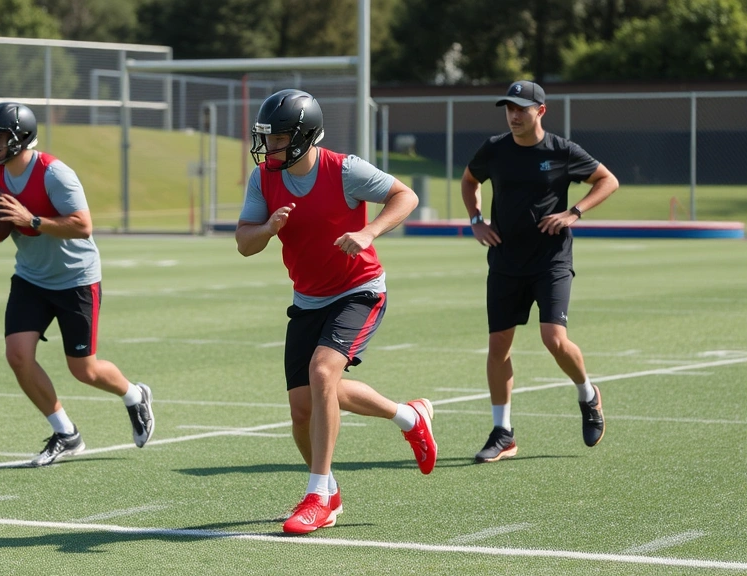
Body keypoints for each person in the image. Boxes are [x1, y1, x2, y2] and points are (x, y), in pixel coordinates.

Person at [235, 89, 438, 535]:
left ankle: (319, 495)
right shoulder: (263, 179)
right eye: (266, 138)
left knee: (324, 374)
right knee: (302, 410)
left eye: (279, 138)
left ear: (305, 137)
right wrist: (268, 228)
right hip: (308, 298)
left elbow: (404, 197)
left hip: (359, 290)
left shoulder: (344, 169)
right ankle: (409, 417)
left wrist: (369, 231)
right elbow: (244, 243)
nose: (269, 148)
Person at [0, 101, 154, 466]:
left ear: (20, 138)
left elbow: (83, 225)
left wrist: (31, 219)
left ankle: (134, 395)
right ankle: (66, 433)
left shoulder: (55, 174)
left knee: (83, 369)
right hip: (31, 278)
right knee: (18, 355)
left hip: (76, 278)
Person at [460, 80, 619, 464]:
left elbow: (608, 180)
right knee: (499, 345)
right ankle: (503, 433)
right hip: (505, 260)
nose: (514, 115)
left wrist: (573, 212)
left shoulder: (563, 151)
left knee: (554, 338)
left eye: (521, 109)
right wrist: (477, 219)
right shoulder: (494, 149)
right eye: (509, 109)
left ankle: (587, 395)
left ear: (540, 111)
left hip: (551, 261)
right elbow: (469, 181)